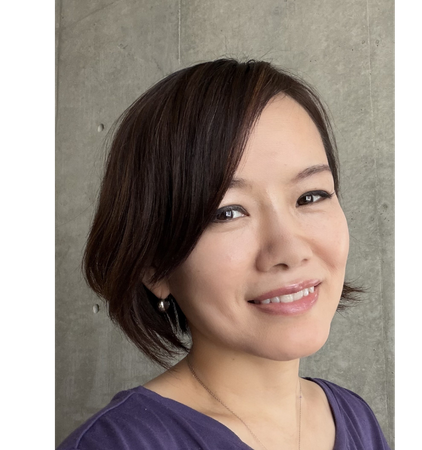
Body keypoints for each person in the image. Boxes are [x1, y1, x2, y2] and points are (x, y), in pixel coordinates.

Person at [56, 58, 391, 450]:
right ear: (154, 266)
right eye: (227, 212)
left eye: (310, 196)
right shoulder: (118, 445)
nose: (290, 249)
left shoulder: (353, 416)